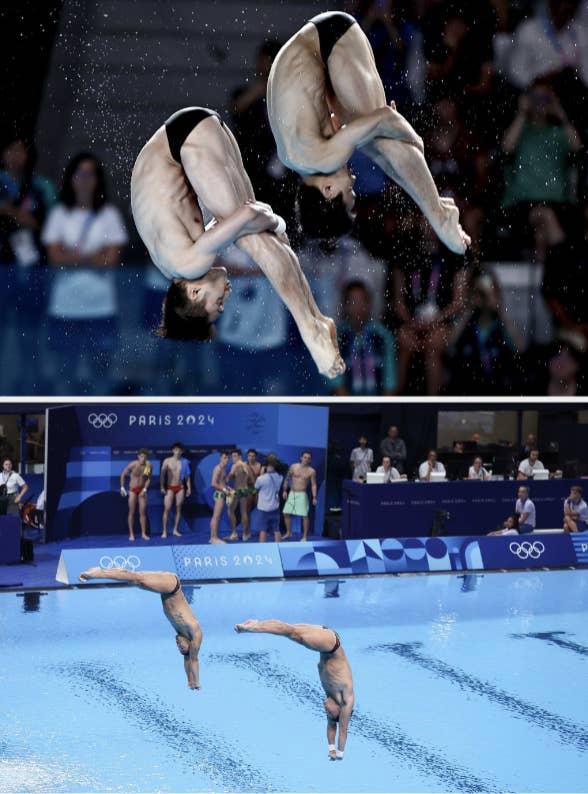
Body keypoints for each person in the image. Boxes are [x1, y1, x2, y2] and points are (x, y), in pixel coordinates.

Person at [130, 106, 344, 378]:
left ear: (194, 293)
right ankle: (316, 318)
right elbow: (234, 219)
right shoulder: (172, 265)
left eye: (217, 304)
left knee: (252, 240)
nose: (225, 298)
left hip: (186, 142)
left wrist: (278, 224)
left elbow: (250, 214)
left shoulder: (191, 265)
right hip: (186, 133)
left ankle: (310, 329)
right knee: (262, 237)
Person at [266, 11, 470, 253]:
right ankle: (434, 208)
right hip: (318, 49)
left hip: (332, 38)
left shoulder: (321, 156)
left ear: (328, 191)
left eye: (349, 191)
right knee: (377, 141)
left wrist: (414, 142)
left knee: (382, 142)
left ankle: (438, 216)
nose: (353, 180)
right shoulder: (297, 159)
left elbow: (385, 118)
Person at [42, 151, 127, 392]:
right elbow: (54, 258)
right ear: (71, 178)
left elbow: (110, 260)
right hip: (65, 307)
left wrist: (73, 255)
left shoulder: (109, 214)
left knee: (100, 374)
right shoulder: (59, 214)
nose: (85, 178)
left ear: (98, 179)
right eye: (80, 173)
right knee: (64, 374)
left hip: (100, 307)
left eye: (91, 173)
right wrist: (93, 255)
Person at [234, 619, 353, 759]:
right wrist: (340, 753)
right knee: (292, 633)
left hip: (325, 641)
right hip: (331, 644)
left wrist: (331, 749)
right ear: (340, 711)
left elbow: (331, 726)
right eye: (329, 713)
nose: (325, 709)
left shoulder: (332, 698)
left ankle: (256, 623)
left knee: (289, 630)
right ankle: (253, 628)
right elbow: (343, 730)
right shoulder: (346, 700)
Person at [78, 567, 202, 689]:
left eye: (178, 648)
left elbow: (187, 659)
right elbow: (193, 659)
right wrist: (196, 682)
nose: (178, 644)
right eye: (182, 647)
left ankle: (99, 573)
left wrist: (189, 681)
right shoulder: (194, 631)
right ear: (190, 645)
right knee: (137, 579)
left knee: (135, 581)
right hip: (173, 586)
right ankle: (97, 573)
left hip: (165, 590)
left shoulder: (181, 632)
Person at [331, 280, 397, 396]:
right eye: (353, 302)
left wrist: (383, 410)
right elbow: (336, 384)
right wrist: (352, 410)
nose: (358, 307)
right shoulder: (337, 337)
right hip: (345, 407)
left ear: (369, 304)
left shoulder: (383, 335)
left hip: (378, 406)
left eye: (363, 301)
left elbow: (390, 381)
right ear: (345, 305)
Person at [0, 136, 56, 266]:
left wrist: (34, 223)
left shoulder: (43, 186)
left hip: (32, 258)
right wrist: (11, 211)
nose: (15, 155)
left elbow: (53, 225)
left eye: (20, 150)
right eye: (10, 150)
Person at [282, 451, 318, 541]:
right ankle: (288, 532)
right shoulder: (293, 466)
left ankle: (305, 536)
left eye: (308, 458)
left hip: (302, 494)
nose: (306, 459)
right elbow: (287, 478)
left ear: (310, 460)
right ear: (301, 458)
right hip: (292, 493)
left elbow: (314, 484)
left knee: (304, 515)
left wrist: (314, 497)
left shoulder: (311, 471)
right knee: (285, 513)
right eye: (305, 457)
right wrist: (284, 490)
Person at [120, 448, 152, 542]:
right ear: (138, 456)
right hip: (133, 490)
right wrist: (122, 488)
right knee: (132, 512)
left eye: (145, 457)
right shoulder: (133, 464)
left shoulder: (148, 465)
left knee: (142, 512)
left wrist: (145, 489)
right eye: (141, 456)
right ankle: (131, 534)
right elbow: (123, 474)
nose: (143, 458)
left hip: (142, 490)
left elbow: (148, 479)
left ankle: (143, 534)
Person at [160, 442, 191, 539]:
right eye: (176, 450)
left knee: (178, 508)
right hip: (170, 488)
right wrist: (162, 487)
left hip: (180, 487)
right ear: (173, 450)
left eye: (179, 450)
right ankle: (164, 531)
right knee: (167, 509)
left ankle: (175, 530)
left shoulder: (184, 462)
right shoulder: (167, 461)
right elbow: (162, 475)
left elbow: (187, 477)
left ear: (182, 451)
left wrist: (189, 488)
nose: (177, 452)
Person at [254, 454, 284, 543]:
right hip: (275, 507)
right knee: (276, 529)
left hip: (263, 508)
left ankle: (263, 550)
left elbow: (256, 488)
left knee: (263, 530)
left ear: (265, 465)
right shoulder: (280, 477)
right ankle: (278, 548)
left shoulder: (261, 479)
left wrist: (261, 473)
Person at [209, 450, 233, 544]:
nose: (226, 459)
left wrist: (227, 488)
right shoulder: (218, 469)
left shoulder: (223, 469)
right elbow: (213, 483)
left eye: (228, 458)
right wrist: (224, 490)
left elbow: (221, 483)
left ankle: (213, 537)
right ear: (220, 458)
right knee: (216, 516)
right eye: (224, 458)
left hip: (222, 493)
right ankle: (213, 538)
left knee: (217, 517)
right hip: (219, 494)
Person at [227, 449, 252, 541]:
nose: (233, 458)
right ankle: (245, 535)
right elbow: (250, 479)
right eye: (232, 456)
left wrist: (227, 478)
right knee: (244, 512)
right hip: (245, 490)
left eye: (234, 456)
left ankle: (234, 533)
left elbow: (229, 477)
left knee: (230, 510)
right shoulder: (246, 465)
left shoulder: (235, 465)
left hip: (237, 490)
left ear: (239, 456)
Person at [246, 448, 264, 515]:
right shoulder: (244, 466)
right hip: (248, 488)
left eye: (253, 456)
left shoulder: (260, 466)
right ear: (247, 457)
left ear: (255, 457)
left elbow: (262, 479)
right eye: (249, 456)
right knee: (248, 508)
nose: (251, 458)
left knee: (258, 508)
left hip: (258, 489)